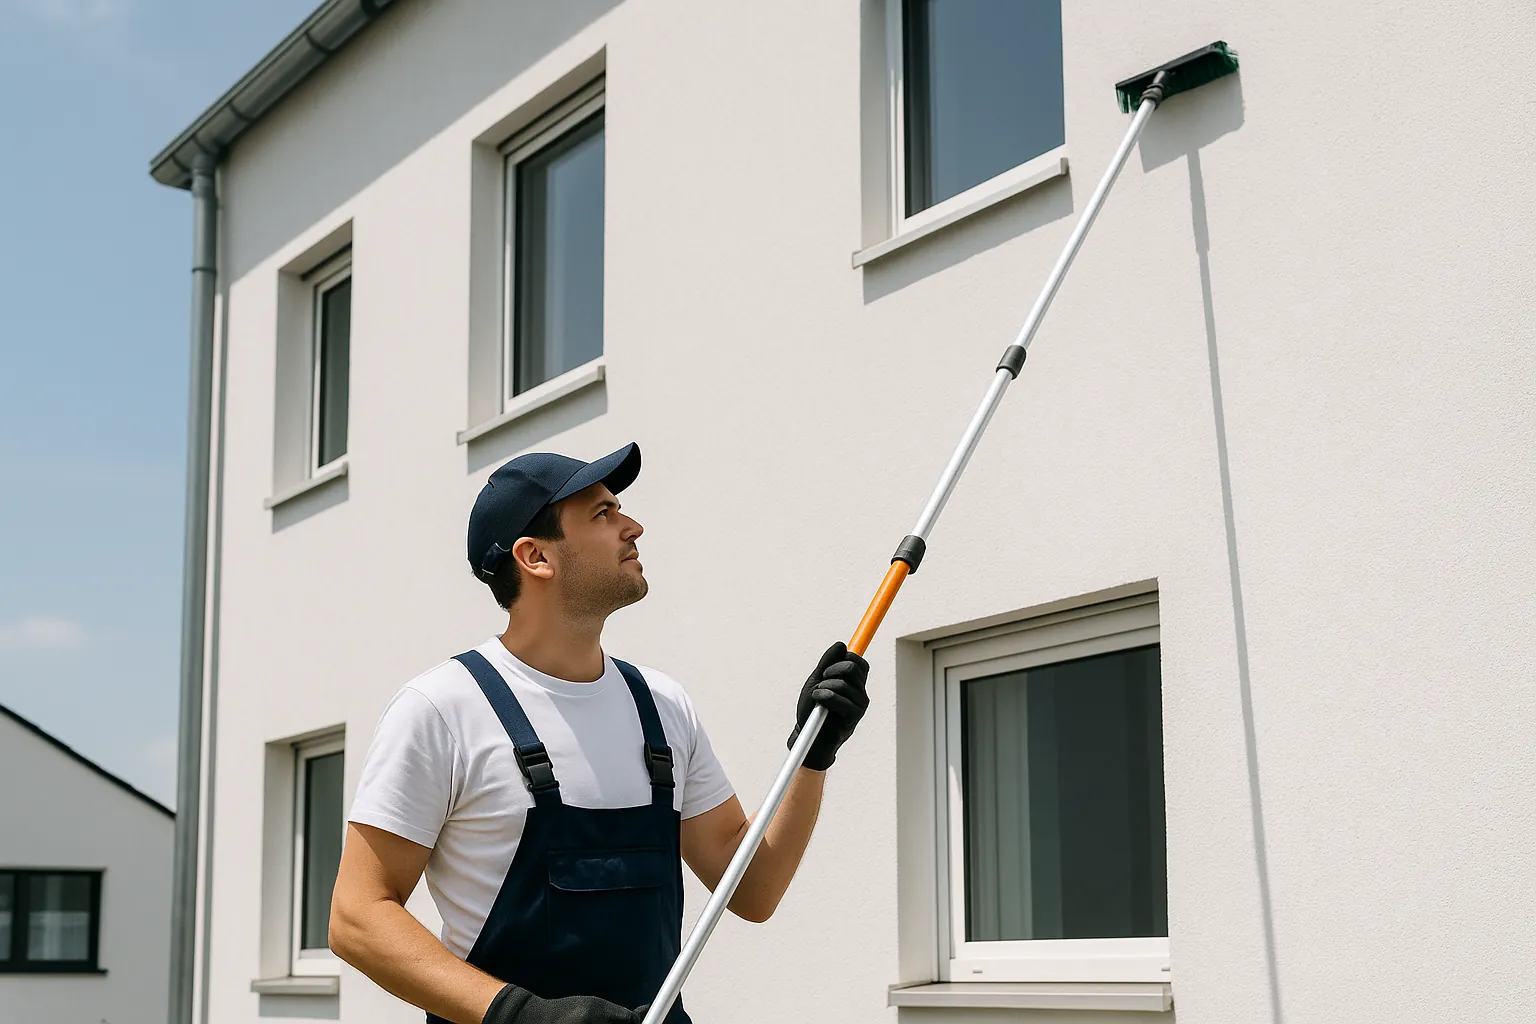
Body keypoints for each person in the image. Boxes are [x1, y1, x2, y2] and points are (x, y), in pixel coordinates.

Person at [329, 442, 870, 1024]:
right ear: (535, 556)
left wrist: (812, 758)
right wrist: (522, 1016)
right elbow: (357, 917)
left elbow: (754, 890)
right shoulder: (441, 709)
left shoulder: (662, 706)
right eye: (603, 515)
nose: (633, 526)